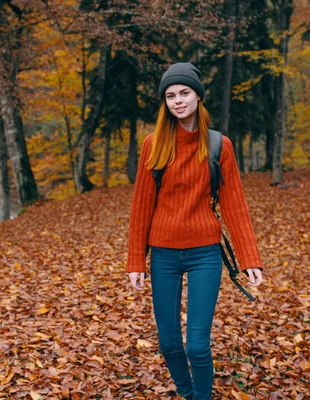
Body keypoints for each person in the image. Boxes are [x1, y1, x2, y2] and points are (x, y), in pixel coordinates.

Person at [126, 62, 264, 400]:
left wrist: (250, 259)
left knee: (197, 346)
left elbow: (235, 206)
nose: (177, 101)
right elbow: (141, 206)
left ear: (198, 96)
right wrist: (135, 262)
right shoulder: (153, 145)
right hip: (163, 254)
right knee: (170, 343)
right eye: (170, 95)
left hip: (205, 253)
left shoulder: (219, 145)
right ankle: (188, 393)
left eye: (184, 93)